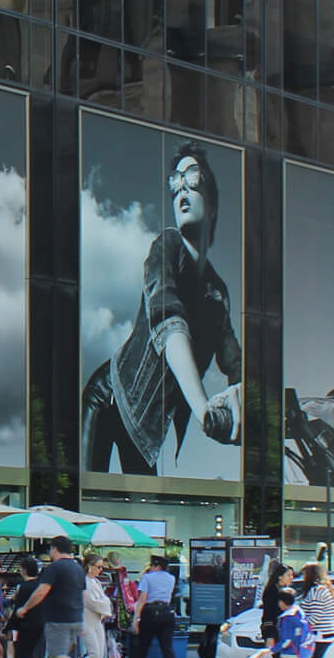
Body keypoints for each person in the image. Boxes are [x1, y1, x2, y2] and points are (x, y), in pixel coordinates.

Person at [81, 143, 243, 473]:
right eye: (176, 185)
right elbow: (169, 323)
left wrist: (243, 393)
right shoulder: (166, 247)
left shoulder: (217, 295)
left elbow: (236, 363)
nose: (182, 191)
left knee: (142, 519)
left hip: (144, 428)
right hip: (107, 398)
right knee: (84, 502)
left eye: (192, 181)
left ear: (212, 203)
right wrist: (205, 411)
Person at [15, 535, 94, 658]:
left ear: (55, 549)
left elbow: (42, 591)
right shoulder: (78, 569)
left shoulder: (54, 568)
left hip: (58, 618)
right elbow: (84, 595)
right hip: (76, 617)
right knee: (56, 655)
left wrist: (25, 608)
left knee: (58, 655)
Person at [125, 553, 180, 658]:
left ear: (156, 565)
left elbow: (142, 599)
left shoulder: (147, 577)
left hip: (150, 612)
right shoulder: (171, 578)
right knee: (167, 648)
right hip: (167, 612)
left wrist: (136, 619)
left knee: (142, 647)